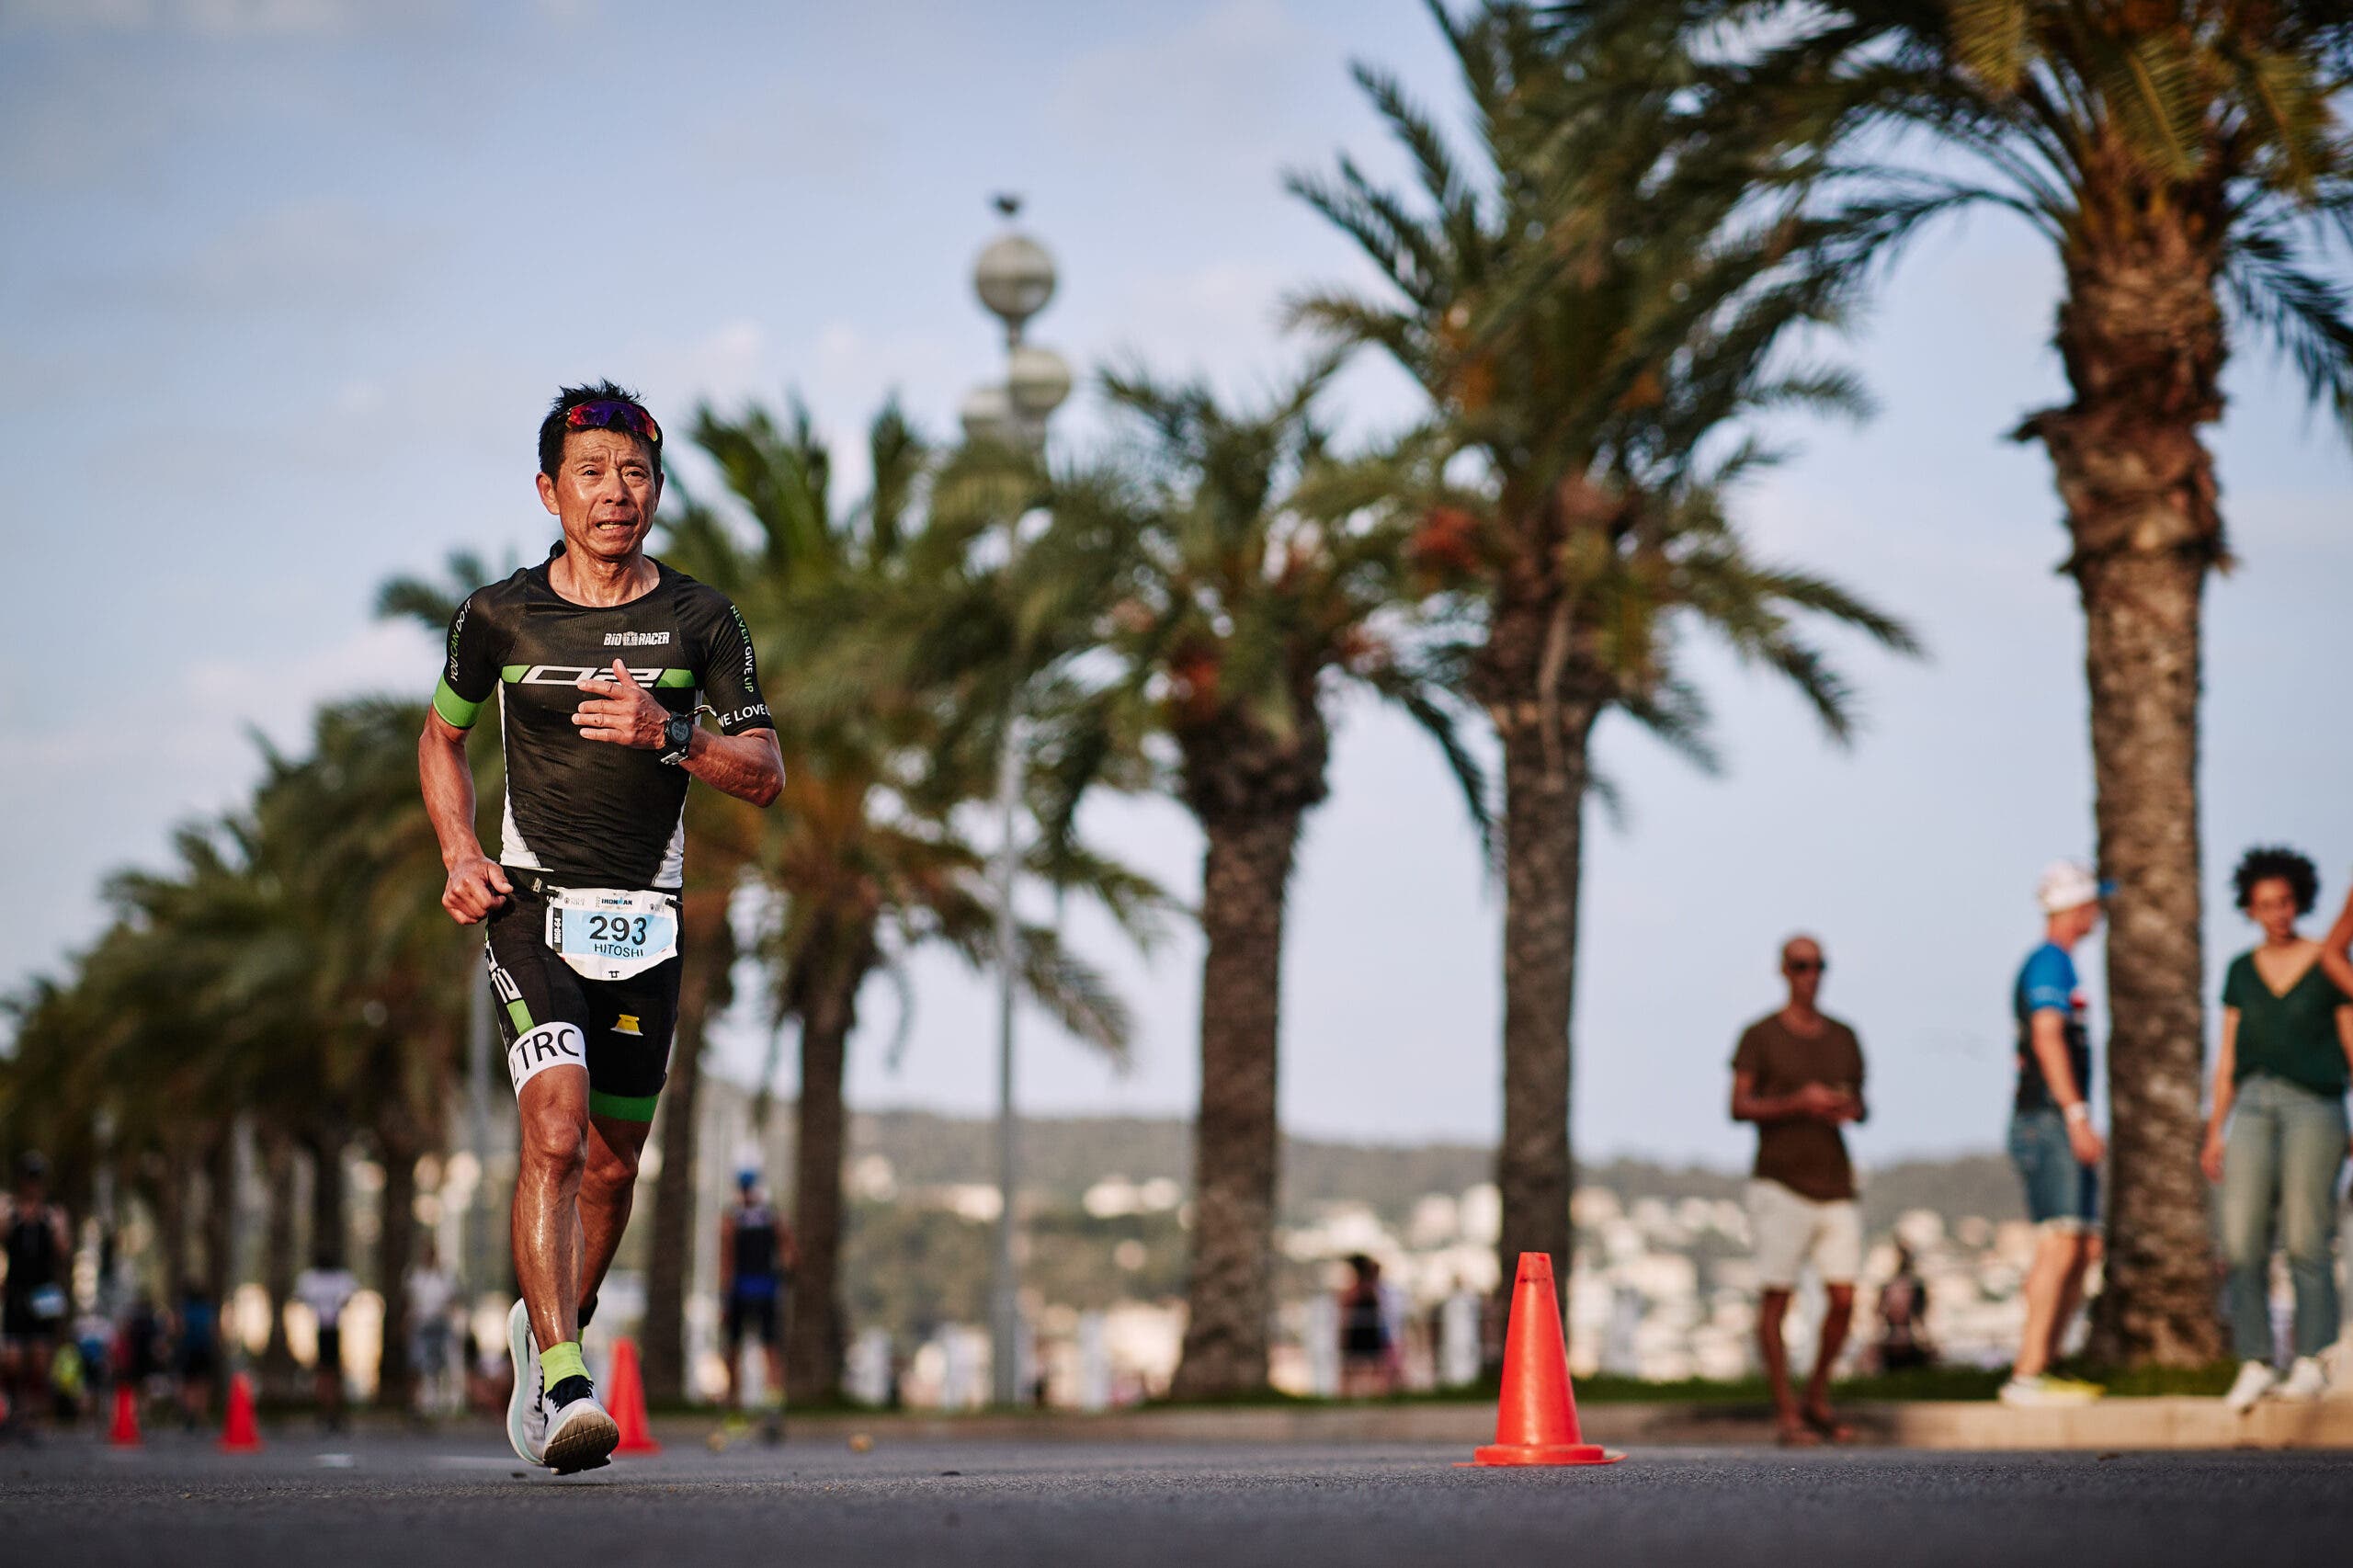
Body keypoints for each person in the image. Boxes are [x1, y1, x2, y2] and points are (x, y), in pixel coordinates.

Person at [418, 382, 782, 1474]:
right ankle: (572, 1379)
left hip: (646, 921)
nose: (614, 493)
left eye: (634, 474)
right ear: (548, 490)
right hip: (530, 907)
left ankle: (544, 1333)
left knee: (616, 1168)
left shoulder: (702, 620)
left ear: (658, 491)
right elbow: (442, 738)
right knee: (557, 1130)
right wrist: (460, 852)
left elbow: (762, 773)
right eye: (590, 473)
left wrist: (668, 732)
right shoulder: (499, 616)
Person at [2202, 846, 2352, 1411]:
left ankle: (2314, 1356)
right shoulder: (2240, 971)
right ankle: (2256, 1360)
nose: (2277, 914)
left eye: (2285, 902)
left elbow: (2350, 1040)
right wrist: (2216, 1128)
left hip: (2315, 1104)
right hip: (2253, 1104)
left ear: (2300, 901)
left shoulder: (2328, 961)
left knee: (2306, 1236)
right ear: (2250, 908)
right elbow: (2227, 1056)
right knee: (2241, 1241)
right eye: (2265, 905)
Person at [1730, 935, 1867, 1444]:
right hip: (1780, 1183)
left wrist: (1844, 1107)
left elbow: (1863, 1104)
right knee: (1777, 1296)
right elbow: (1739, 1106)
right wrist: (1797, 1103)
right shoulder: (1759, 1036)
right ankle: (1787, 1411)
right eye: (1801, 966)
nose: (1811, 975)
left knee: (1845, 1295)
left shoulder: (1844, 1037)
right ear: (1784, 971)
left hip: (1836, 1183)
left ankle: (1817, 1396)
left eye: (1818, 966)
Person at [1999, 860, 2109, 1407]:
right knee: (2060, 1240)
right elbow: (2047, 1036)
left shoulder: (2059, 965)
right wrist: (2076, 1115)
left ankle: (2048, 1362)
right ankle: (2027, 1372)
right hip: (2047, 1119)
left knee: (2084, 1244)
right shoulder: (2050, 964)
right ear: (2076, 907)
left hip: (2053, 1118)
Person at [1, 1152, 73, 1442]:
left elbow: (63, 1252)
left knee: (41, 1359)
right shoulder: (10, 1211)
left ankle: (31, 1416)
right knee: (13, 1358)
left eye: (37, 1180)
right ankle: (13, 1411)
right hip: (16, 1291)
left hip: (43, 1293)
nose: (33, 1186)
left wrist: (55, 1226)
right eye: (28, 1179)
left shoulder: (53, 1214)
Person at [719, 1170, 795, 1426]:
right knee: (749, 1350)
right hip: (756, 1290)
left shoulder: (738, 1218)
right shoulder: (767, 1216)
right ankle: (749, 1408)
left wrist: (724, 1294)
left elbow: (726, 1260)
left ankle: (758, 1408)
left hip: (752, 1291)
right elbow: (789, 1254)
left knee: (751, 1350)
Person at [294, 1251, 358, 1431]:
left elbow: (348, 1297)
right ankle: (326, 1411)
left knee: (332, 1372)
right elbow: (300, 1297)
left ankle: (332, 1411)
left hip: (333, 1328)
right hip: (321, 1328)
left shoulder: (338, 1278)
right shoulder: (313, 1279)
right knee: (324, 1372)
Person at [406, 1240, 457, 1416]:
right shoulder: (416, 1276)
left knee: (436, 1364)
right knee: (418, 1362)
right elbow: (411, 1301)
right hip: (421, 1324)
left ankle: (435, 1402)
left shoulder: (444, 1276)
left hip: (439, 1324)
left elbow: (452, 1300)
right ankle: (418, 1402)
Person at [1872, 1241, 1935, 1373]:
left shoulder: (1899, 1285)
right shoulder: (1901, 1285)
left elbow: (1879, 1314)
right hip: (1898, 1340)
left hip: (1904, 1340)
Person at [1337, 1254, 1394, 1396]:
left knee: (1374, 1365)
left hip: (1369, 1331)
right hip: (1358, 1332)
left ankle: (1377, 1394)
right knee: (1353, 1366)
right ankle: (1348, 1395)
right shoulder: (1358, 1290)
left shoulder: (1372, 1289)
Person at [173, 1278, 221, 1430]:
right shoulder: (208, 1309)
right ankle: (201, 1414)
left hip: (188, 1349)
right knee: (203, 1384)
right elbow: (213, 1329)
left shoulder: (184, 1308)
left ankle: (189, 1413)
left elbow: (179, 1329)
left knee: (188, 1384)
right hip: (204, 1349)